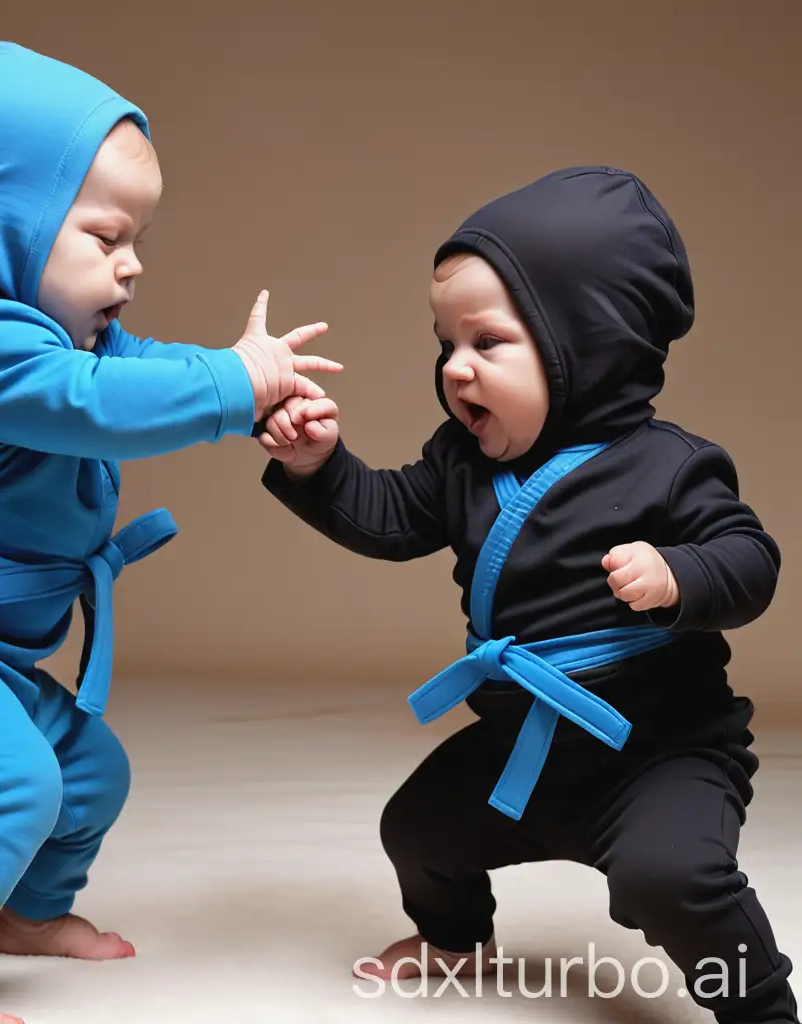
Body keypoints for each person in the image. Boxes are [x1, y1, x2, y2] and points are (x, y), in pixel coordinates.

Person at [0, 41, 339, 1024]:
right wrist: (232, 384)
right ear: (1, 224)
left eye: (137, 236)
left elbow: (141, 373)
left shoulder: (70, 337)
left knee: (90, 774)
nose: (132, 262)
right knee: (7, 782)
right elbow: (88, 404)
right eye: (105, 235)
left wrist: (262, 400)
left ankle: (22, 911)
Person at [256, 166, 795, 1023]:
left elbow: (751, 559)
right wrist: (317, 466)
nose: (455, 369)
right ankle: (455, 938)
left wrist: (678, 575)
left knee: (675, 876)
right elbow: (391, 519)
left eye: (487, 343)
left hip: (658, 752)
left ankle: (761, 1003)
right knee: (419, 829)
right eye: (445, 345)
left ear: (588, 344)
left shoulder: (669, 464)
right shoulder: (462, 461)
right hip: (529, 751)